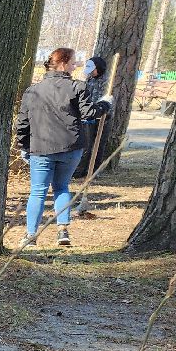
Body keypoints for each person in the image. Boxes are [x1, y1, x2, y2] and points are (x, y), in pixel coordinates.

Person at [16, 46, 109, 249]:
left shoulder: (32, 91)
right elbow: (89, 113)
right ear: (64, 63)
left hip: (40, 148)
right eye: (74, 62)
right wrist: (105, 105)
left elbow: (23, 123)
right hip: (70, 147)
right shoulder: (77, 87)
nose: (76, 65)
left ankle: (31, 234)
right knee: (61, 187)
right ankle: (62, 230)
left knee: (38, 191)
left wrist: (23, 146)